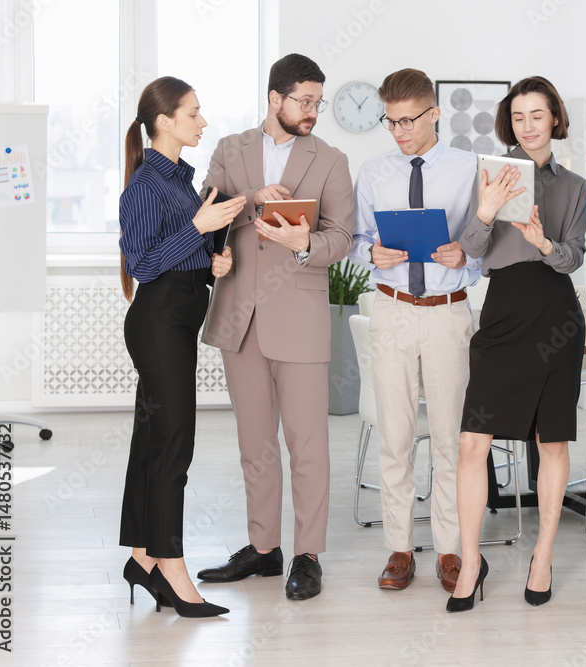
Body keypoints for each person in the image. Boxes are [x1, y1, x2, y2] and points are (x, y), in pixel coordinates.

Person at [195, 54, 354, 601]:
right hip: (241, 315)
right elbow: (206, 212)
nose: (313, 112)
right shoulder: (230, 149)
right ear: (275, 99)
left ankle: (308, 554)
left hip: (301, 317)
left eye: (318, 102)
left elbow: (342, 238)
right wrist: (249, 204)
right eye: (304, 102)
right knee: (254, 443)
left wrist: (304, 244)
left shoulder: (331, 159)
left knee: (307, 444)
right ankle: (264, 550)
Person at [449, 76, 586, 612]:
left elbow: (575, 257)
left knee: (550, 441)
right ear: (510, 121)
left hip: (555, 312)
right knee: (471, 442)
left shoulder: (575, 185)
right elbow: (468, 250)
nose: (529, 125)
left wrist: (543, 243)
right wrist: (487, 208)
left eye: (538, 114)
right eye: (520, 116)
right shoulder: (487, 174)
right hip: (503, 312)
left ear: (554, 118)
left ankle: (544, 557)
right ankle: (469, 564)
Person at [348, 68, 479, 594]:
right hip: (393, 308)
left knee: (451, 439)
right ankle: (399, 550)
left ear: (434, 114)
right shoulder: (374, 170)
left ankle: (451, 551)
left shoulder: (469, 169)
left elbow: (487, 243)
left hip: (449, 310)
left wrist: (466, 255)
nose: (399, 131)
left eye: (408, 121)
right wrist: (370, 252)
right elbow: (357, 239)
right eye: (390, 121)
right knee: (395, 437)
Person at [119, 76, 245, 618]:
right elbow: (143, 265)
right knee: (175, 443)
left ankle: (143, 556)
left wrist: (213, 259)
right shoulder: (145, 185)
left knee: (153, 441)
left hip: (176, 318)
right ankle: (171, 566)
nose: (203, 120)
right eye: (193, 113)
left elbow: (183, 251)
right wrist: (197, 226)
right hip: (157, 322)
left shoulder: (181, 180)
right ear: (164, 121)